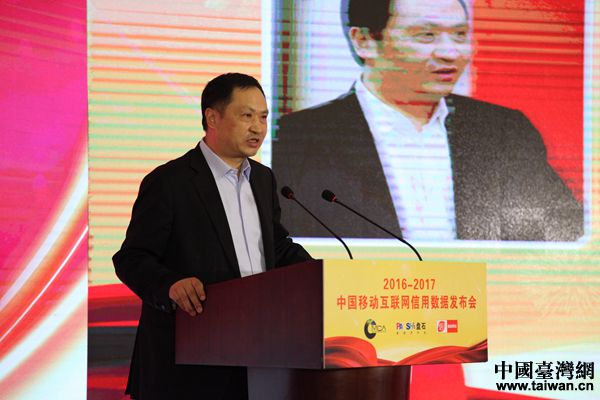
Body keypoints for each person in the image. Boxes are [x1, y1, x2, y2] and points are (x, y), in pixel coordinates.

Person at [272, 0, 583, 241]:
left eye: (460, 34)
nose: (450, 52)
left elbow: (564, 235)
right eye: (426, 35)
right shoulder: (297, 140)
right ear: (364, 40)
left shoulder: (504, 131)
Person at [113, 73, 312, 399]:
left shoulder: (263, 179)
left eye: (263, 117)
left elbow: (274, 247)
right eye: (246, 116)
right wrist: (170, 285)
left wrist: (322, 274)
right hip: (185, 366)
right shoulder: (170, 181)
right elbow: (132, 258)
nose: (258, 128)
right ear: (212, 118)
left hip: (255, 352)